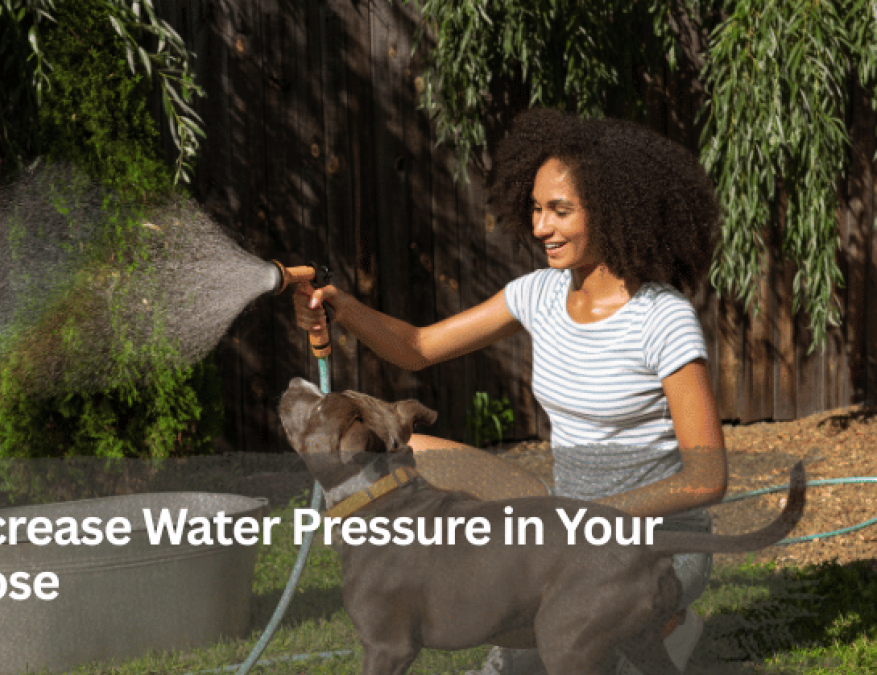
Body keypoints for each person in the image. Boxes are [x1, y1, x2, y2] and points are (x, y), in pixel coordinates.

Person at [293, 108, 727, 674]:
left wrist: (589, 518)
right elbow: (419, 346)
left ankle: (660, 621)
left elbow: (707, 479)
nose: (541, 226)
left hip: (654, 538)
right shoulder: (538, 294)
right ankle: (417, 586)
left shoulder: (661, 320)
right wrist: (341, 308)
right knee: (409, 452)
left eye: (560, 211)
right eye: (536, 208)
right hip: (557, 523)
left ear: (612, 210)